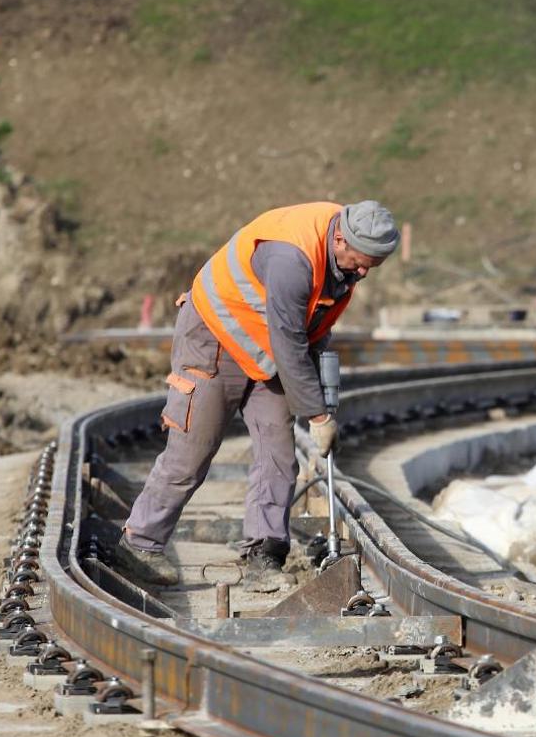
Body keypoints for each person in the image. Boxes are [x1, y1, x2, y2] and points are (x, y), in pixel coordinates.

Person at [116, 200, 400, 593]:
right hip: (216, 334)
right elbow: (289, 340)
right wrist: (318, 415)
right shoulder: (292, 258)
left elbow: (312, 326)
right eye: (361, 262)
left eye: (372, 265)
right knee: (192, 450)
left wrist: (320, 389)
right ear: (339, 239)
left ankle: (263, 555)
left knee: (278, 453)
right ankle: (140, 544)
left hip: (266, 347)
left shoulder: (345, 254)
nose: (364, 272)